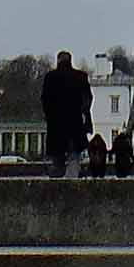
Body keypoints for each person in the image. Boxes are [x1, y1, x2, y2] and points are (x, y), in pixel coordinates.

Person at [40, 51, 93, 179]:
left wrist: (50, 117)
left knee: (57, 159)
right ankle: (72, 186)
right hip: (76, 125)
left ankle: (57, 189)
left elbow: (45, 101)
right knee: (74, 157)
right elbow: (88, 99)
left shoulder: (50, 78)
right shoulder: (81, 77)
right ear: (70, 61)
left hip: (56, 127)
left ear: (58, 61)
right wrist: (83, 114)